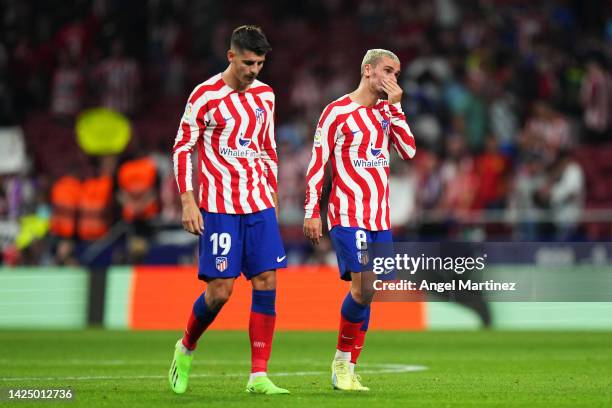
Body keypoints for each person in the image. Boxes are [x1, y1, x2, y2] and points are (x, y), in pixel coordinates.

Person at [169, 25, 289, 395]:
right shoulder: (204, 96)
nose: (254, 70)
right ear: (231, 56)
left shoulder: (265, 96)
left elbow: (267, 147)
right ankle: (186, 345)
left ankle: (258, 375)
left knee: (267, 281)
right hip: (219, 208)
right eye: (248, 62)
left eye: (260, 63)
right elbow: (182, 147)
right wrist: (188, 200)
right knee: (220, 292)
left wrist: (271, 187)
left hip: (258, 205)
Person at [303, 49, 416, 391]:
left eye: (397, 73)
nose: (393, 78)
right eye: (388, 70)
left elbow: (409, 152)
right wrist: (311, 211)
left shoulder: (387, 112)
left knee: (368, 292)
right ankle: (341, 363)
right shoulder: (336, 112)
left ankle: (349, 368)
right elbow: (317, 163)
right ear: (368, 70)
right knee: (363, 286)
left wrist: (396, 109)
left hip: (379, 218)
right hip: (347, 214)